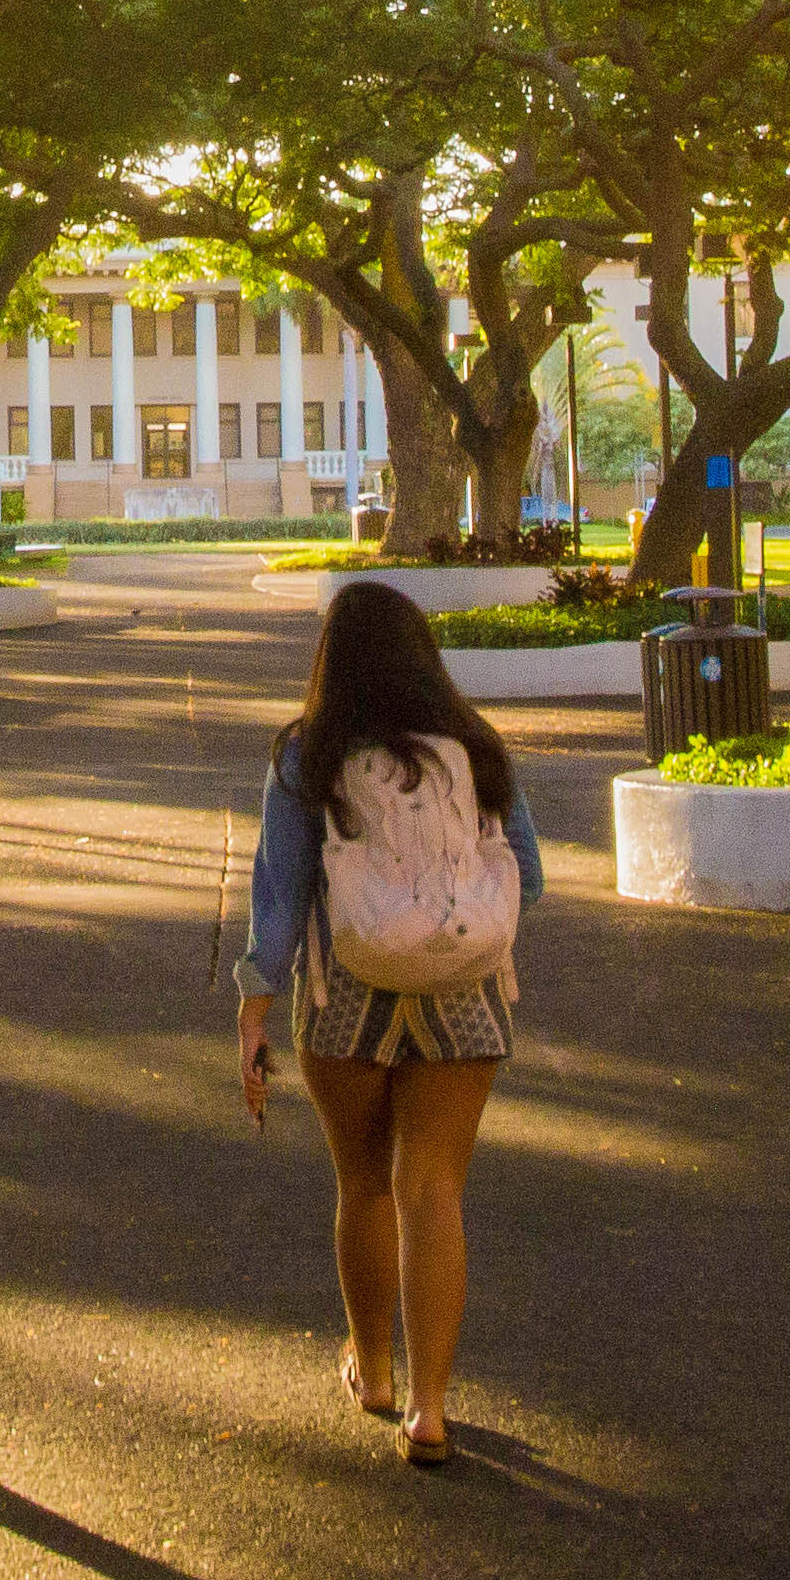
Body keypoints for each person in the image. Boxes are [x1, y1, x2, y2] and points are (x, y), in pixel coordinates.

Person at [233, 578, 542, 1468]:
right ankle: (433, 1410)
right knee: (433, 1190)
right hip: (465, 991)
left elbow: (282, 903)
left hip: (346, 994)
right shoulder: (475, 747)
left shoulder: (308, 754)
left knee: (364, 1185)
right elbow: (531, 873)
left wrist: (254, 1008)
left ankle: (372, 1372)